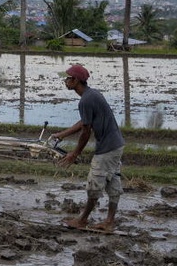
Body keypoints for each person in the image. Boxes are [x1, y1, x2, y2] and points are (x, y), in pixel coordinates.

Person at [49, 63, 125, 231]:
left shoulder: (86, 100)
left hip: (107, 148)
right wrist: (62, 134)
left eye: (68, 78)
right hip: (116, 144)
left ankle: (82, 220)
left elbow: (85, 131)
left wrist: (74, 154)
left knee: (94, 184)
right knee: (112, 183)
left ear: (76, 80)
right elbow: (84, 121)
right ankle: (109, 222)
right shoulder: (92, 95)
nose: (66, 80)